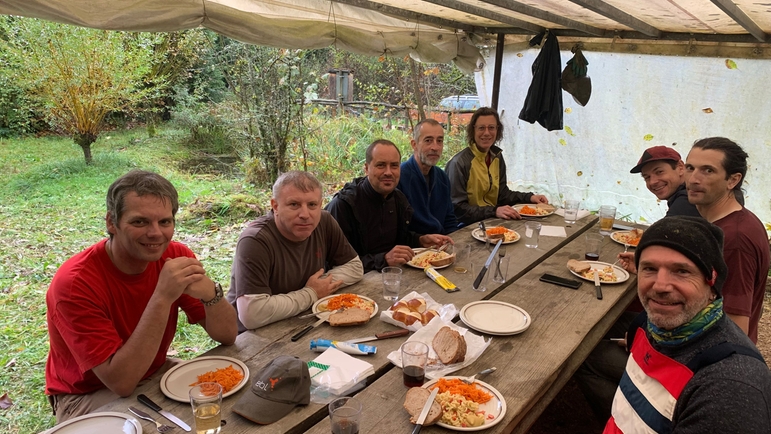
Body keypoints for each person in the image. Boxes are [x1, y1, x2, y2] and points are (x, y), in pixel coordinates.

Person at [45, 170, 238, 423]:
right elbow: (121, 382)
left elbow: (227, 335)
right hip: (86, 393)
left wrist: (211, 295)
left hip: (153, 370)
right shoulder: (75, 284)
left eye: (165, 222)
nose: (156, 233)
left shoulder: (175, 256)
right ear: (111, 222)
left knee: (229, 401)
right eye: (140, 222)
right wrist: (162, 297)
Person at [603, 216, 771, 433]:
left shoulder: (729, 387)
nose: (660, 285)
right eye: (649, 268)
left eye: (682, 271)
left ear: (712, 284)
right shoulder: (647, 327)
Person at [227, 171, 363, 332]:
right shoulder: (255, 240)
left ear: (320, 205)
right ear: (275, 206)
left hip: (304, 321)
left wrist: (320, 286)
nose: (305, 215)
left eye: (312, 205)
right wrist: (311, 293)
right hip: (253, 338)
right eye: (294, 205)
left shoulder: (324, 221)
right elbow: (252, 314)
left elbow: (355, 268)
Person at [683, 137, 769, 343]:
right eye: (690, 168)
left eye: (708, 170)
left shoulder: (734, 239)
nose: (693, 179)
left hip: (710, 360)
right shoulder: (730, 222)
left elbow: (735, 327)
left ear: (732, 180)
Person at [326, 139, 453, 272]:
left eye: (394, 166)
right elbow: (338, 263)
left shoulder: (398, 199)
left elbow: (399, 238)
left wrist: (420, 240)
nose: (388, 172)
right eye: (381, 165)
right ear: (367, 168)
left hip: (394, 275)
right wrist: (384, 259)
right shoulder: (344, 205)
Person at [445, 107, 549, 226]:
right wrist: (494, 211)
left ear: (497, 130)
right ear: (473, 130)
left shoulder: (496, 157)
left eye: (491, 128)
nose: (487, 133)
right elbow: (457, 208)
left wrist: (530, 197)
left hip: (490, 220)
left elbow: (503, 195)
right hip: (464, 226)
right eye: (481, 128)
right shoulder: (459, 163)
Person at [397, 119, 458, 235]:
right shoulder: (400, 177)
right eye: (428, 140)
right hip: (414, 247)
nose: (435, 147)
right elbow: (397, 229)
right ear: (414, 144)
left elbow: (449, 220)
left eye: (439, 141)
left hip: (441, 245)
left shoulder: (442, 178)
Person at [629, 145, 700, 218]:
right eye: (647, 177)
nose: (652, 182)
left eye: (659, 172)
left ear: (680, 167)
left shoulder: (685, 202)